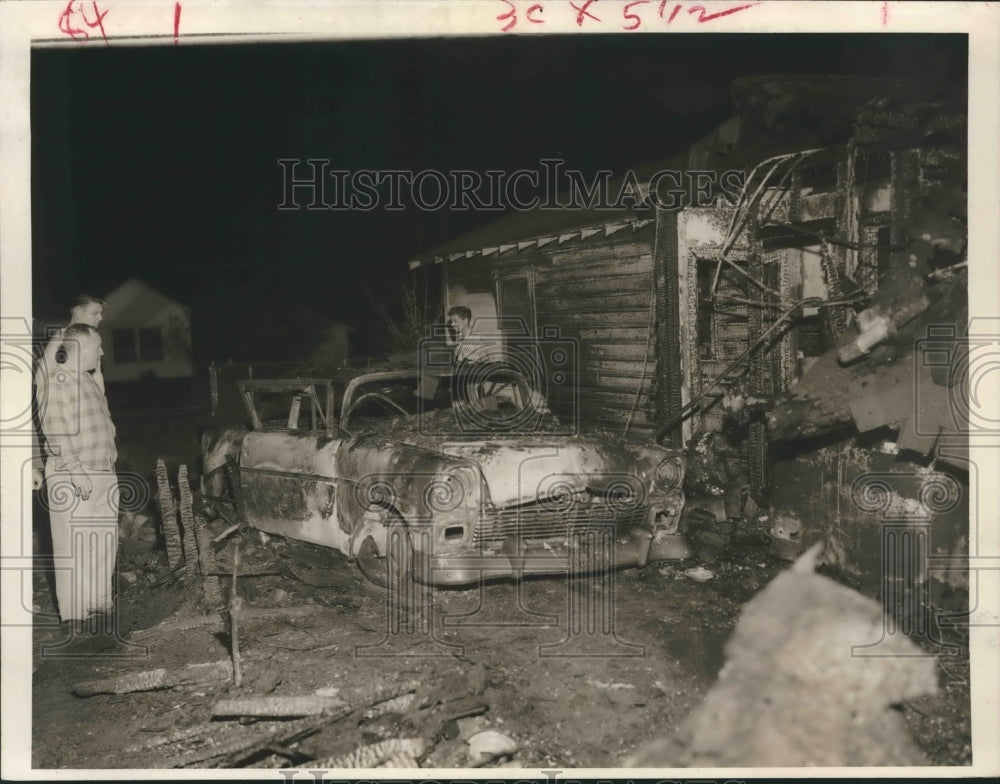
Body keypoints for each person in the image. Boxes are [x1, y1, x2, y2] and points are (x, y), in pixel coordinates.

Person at [39, 323, 119, 628]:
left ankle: (99, 607)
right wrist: (75, 470)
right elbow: (56, 429)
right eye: (97, 346)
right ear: (79, 348)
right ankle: (75, 616)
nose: (102, 352)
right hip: (74, 475)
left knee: (102, 543)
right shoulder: (56, 380)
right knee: (73, 546)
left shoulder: (88, 380)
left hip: (103, 473)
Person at [37, 294, 106, 393]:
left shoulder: (93, 339)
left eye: (101, 313)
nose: (100, 318)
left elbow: (97, 374)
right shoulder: (60, 339)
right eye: (95, 313)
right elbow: (39, 380)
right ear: (77, 311)